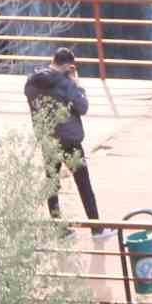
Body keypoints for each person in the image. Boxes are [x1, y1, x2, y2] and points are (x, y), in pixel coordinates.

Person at [24, 47, 111, 238]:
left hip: (47, 138)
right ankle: (97, 229)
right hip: (69, 140)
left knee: (52, 184)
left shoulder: (32, 81)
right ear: (68, 66)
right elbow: (83, 107)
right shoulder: (65, 83)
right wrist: (77, 86)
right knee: (84, 185)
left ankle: (59, 230)